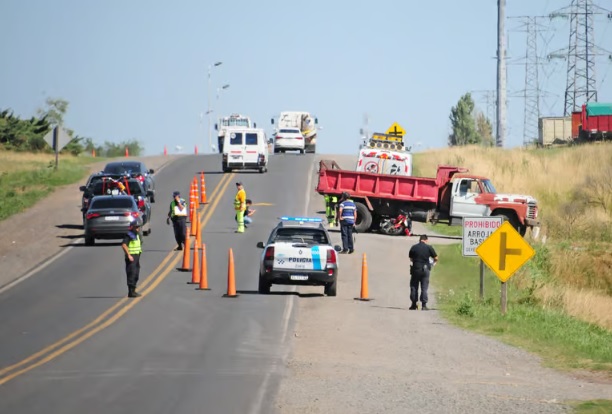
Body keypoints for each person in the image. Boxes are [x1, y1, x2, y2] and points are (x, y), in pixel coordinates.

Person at [408, 234, 439, 310]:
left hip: (416, 269)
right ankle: (424, 305)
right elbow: (436, 258)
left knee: (414, 286)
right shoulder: (429, 247)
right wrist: (433, 263)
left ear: (420, 239)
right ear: (426, 240)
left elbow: (411, 258)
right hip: (425, 269)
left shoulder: (414, 247)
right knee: (424, 288)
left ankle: (413, 304)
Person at [121, 220, 143, 298]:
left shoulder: (137, 235)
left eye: (138, 227)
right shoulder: (129, 234)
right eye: (136, 227)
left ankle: (133, 290)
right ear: (132, 227)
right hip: (131, 257)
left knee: (136, 274)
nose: (138, 229)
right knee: (132, 273)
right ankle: (131, 292)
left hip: (136, 257)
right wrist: (129, 255)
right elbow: (124, 245)